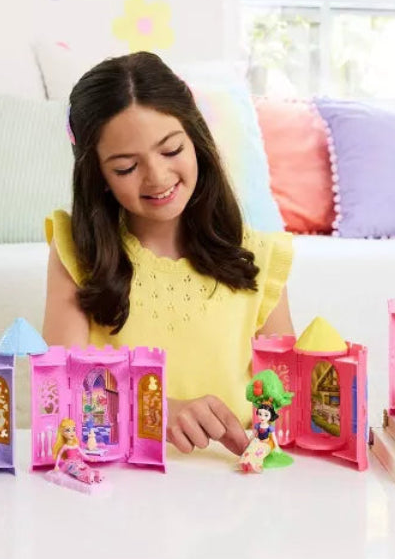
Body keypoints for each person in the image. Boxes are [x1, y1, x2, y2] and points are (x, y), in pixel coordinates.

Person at [43, 52, 294, 458]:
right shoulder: (78, 252)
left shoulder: (259, 257)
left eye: (172, 150)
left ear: (195, 140)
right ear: (99, 177)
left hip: (234, 475)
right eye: (126, 168)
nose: (157, 177)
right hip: (125, 479)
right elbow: (60, 392)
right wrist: (156, 410)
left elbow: (285, 398)